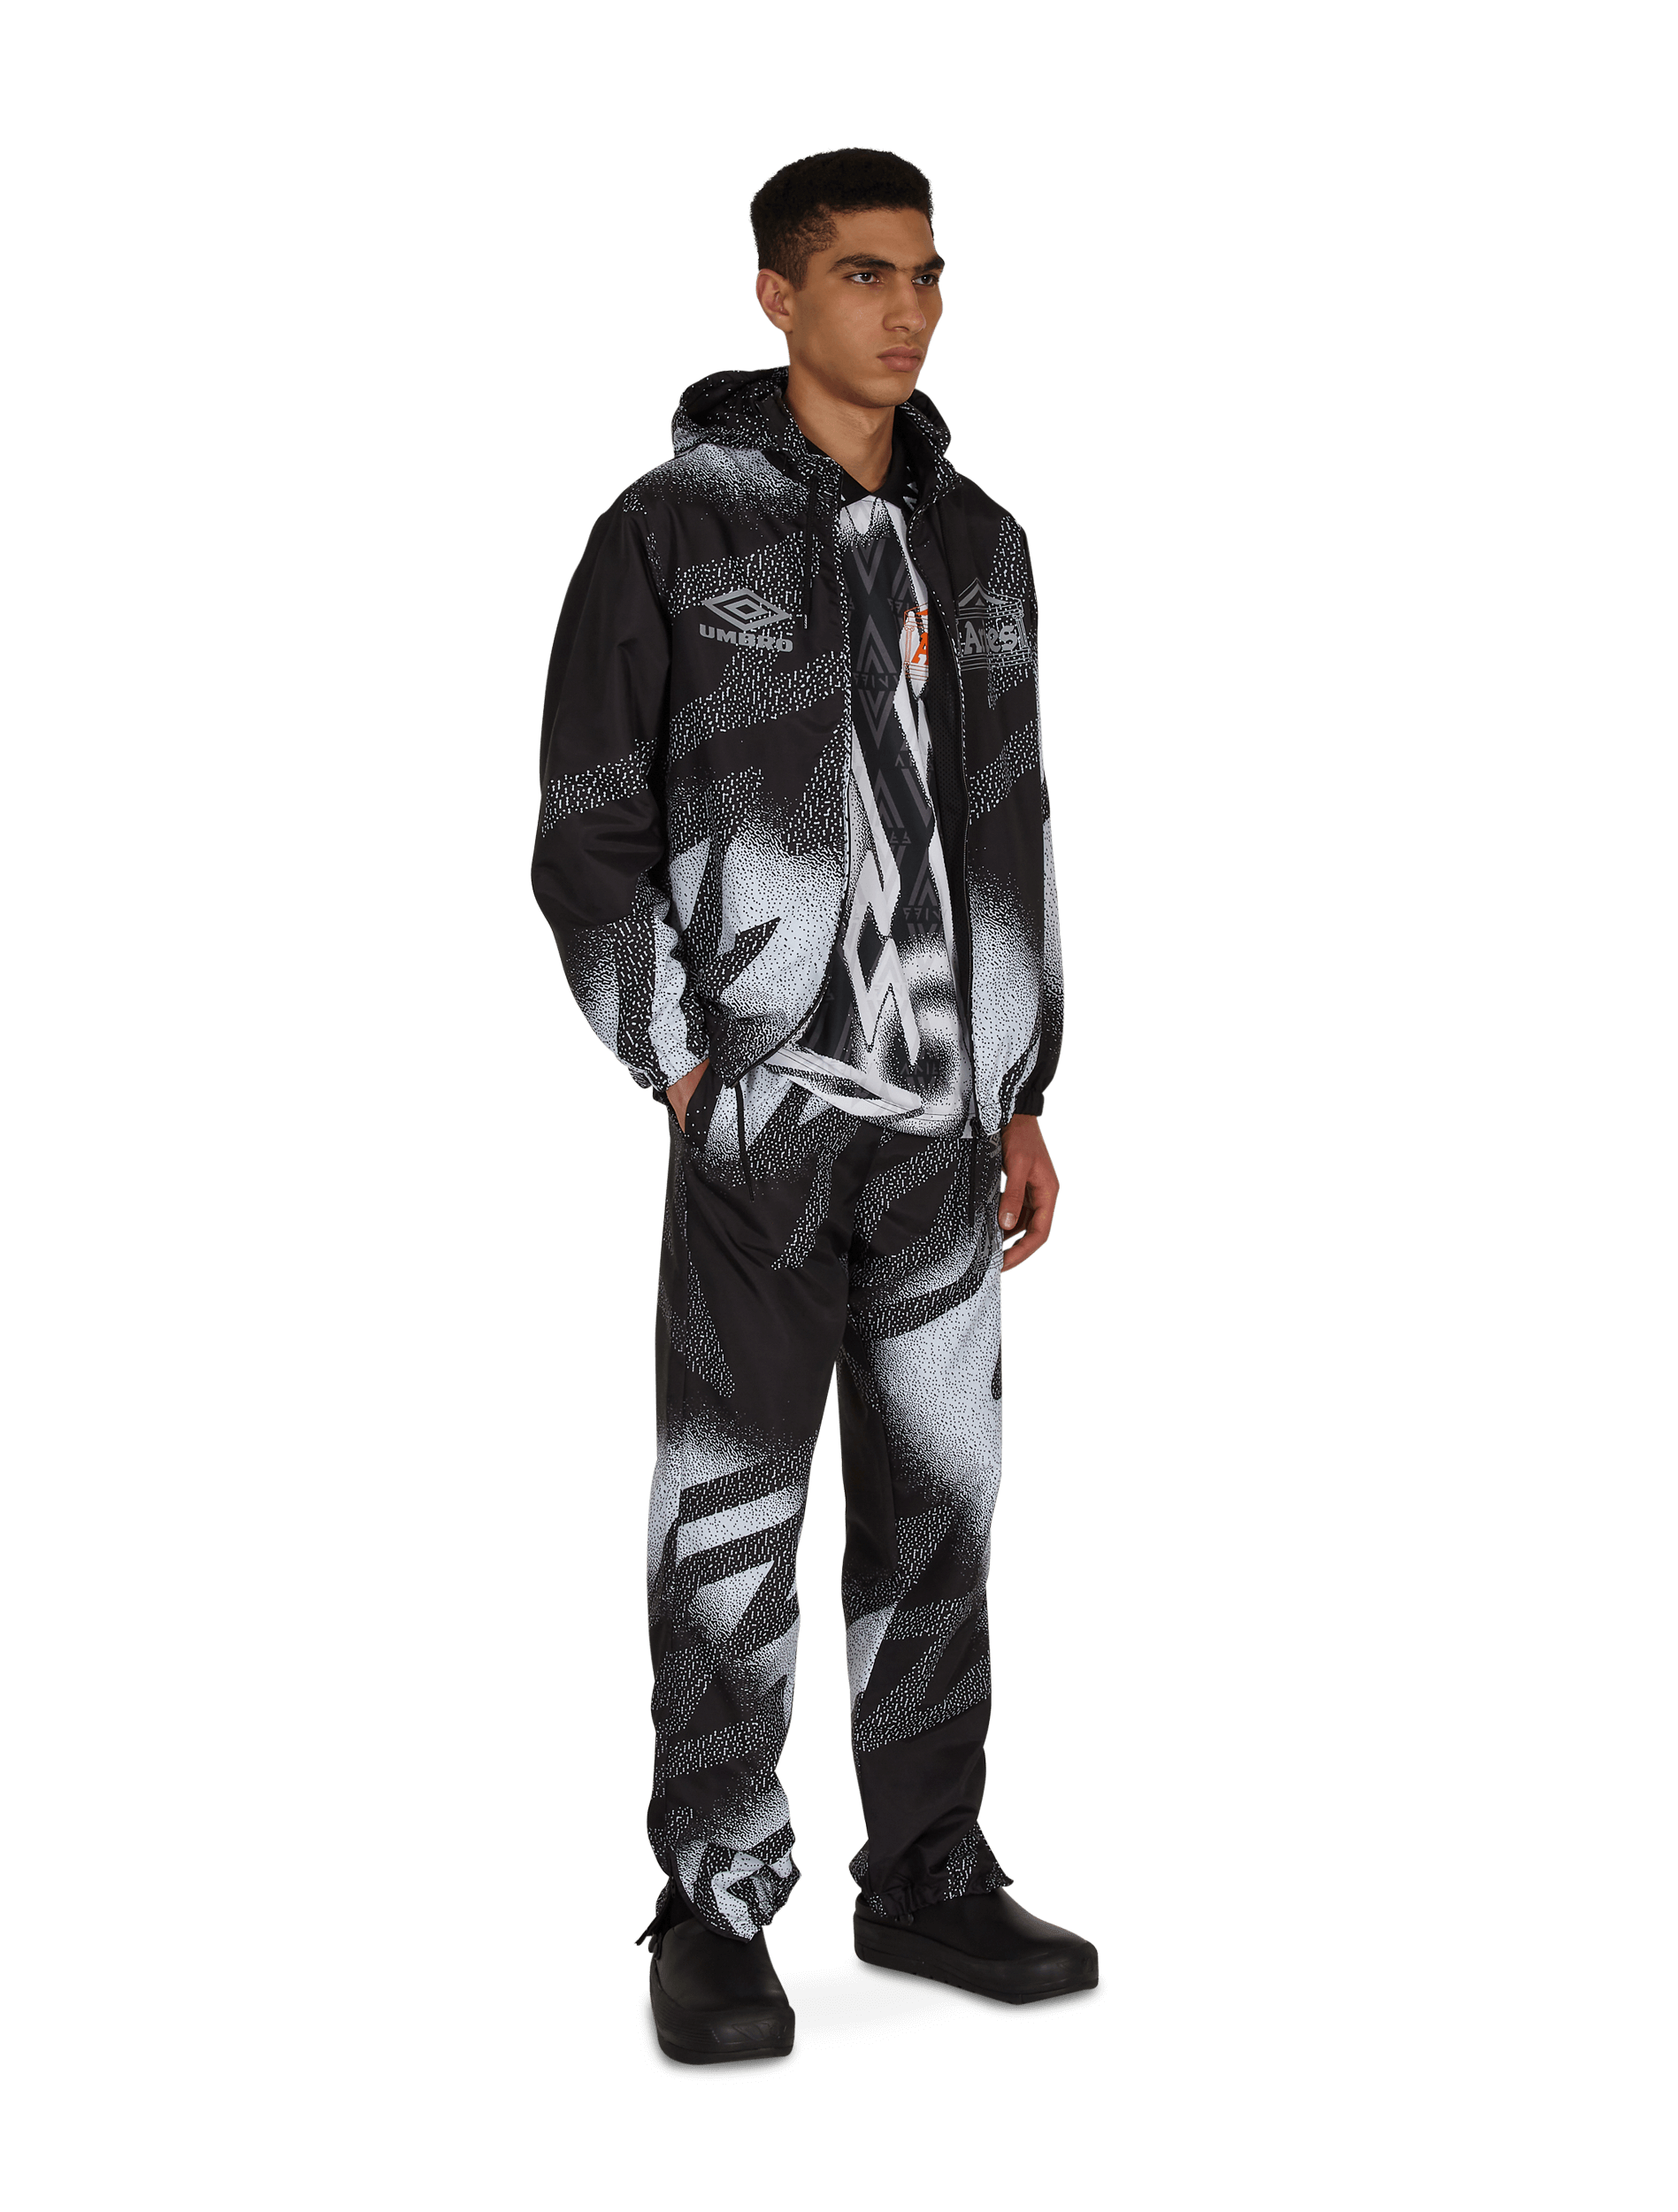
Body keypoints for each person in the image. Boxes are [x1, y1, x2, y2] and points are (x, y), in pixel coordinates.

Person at [532, 146, 1093, 2070]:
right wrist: (685, 1062)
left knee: (943, 1510)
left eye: (926, 275)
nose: (907, 309)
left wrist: (1022, 1086)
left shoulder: (985, 539)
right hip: (765, 1111)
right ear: (777, 296)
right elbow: (584, 822)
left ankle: (929, 1877)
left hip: (948, 1118)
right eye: (864, 274)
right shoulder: (671, 525)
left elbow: (1012, 823)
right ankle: (712, 1902)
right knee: (729, 1511)